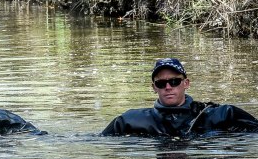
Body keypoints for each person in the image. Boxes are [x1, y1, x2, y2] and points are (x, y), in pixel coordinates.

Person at [101, 58, 258, 137]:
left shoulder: (222, 114)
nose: (168, 87)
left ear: (186, 83)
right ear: (154, 87)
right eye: (161, 83)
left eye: (174, 81)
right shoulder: (129, 120)